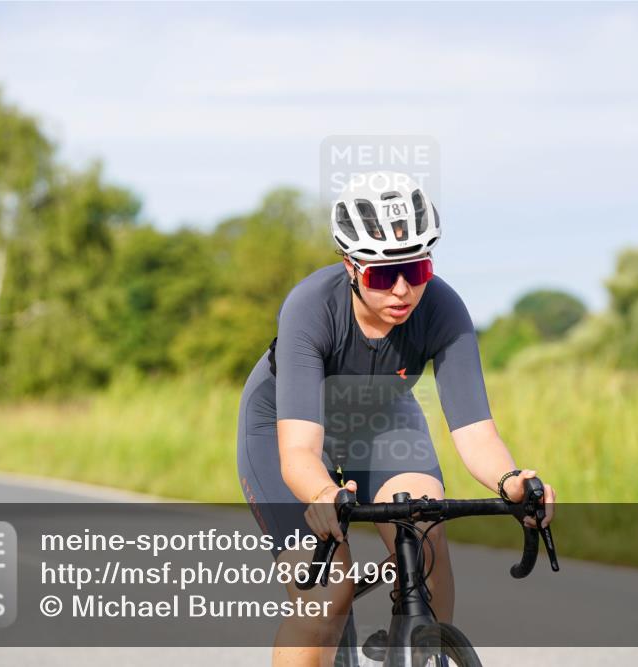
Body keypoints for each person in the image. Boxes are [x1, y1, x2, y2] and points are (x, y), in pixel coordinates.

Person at [236, 171, 555, 667]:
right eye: (384, 275)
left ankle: (422, 649)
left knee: (426, 537)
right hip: (288, 423)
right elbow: (299, 452)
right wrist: (323, 495)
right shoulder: (310, 307)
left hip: (381, 417)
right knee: (326, 596)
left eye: (418, 268)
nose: (404, 290)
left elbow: (476, 432)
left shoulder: (444, 309)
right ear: (350, 266)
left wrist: (512, 480)